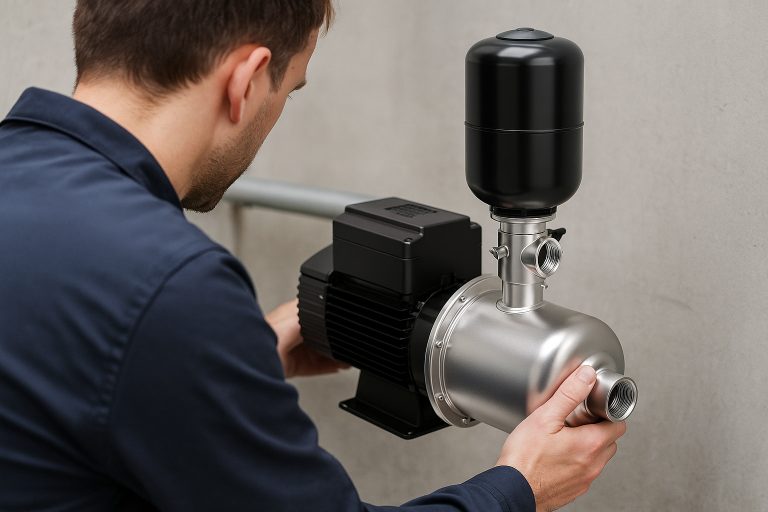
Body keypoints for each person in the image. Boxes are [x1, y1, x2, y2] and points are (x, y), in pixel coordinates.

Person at [0, 1, 626, 511]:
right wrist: (520, 488)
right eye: (290, 90)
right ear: (247, 80)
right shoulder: (170, 287)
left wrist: (233, 362)